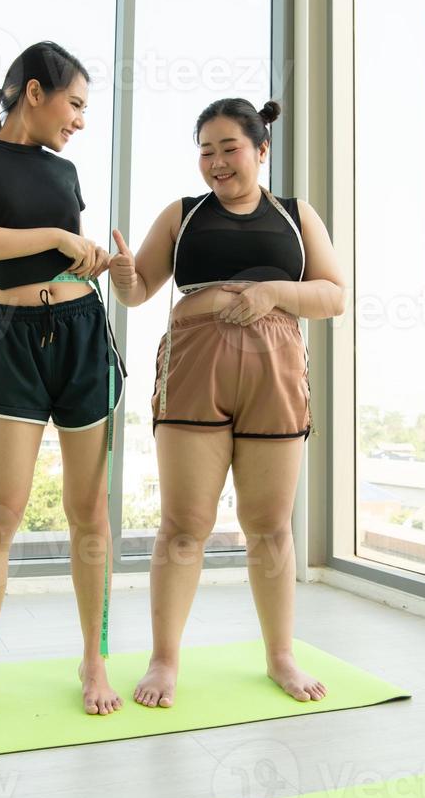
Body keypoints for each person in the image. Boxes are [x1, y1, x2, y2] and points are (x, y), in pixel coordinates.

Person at [108, 97, 347, 707]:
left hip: (276, 370)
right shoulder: (182, 215)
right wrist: (122, 271)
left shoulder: (296, 215)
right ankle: (164, 662)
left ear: (261, 150)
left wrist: (271, 291)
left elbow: (333, 295)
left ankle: (280, 656)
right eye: (206, 151)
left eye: (229, 148)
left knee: (268, 527)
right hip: (195, 367)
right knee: (185, 526)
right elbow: (138, 294)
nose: (216, 162)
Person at [0, 40, 127, 719]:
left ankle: (94, 661)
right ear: (36, 91)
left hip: (81, 335)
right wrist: (57, 236)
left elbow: (67, 262)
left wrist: (99, 263)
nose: (79, 119)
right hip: (12, 341)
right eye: (74, 103)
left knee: (90, 515)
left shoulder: (64, 172)